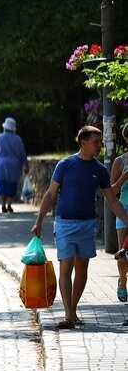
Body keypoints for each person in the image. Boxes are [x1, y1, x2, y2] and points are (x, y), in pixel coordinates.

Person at [32, 126, 128, 329]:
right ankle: (68, 314)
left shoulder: (99, 169)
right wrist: (39, 221)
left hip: (87, 224)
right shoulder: (65, 164)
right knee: (66, 266)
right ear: (83, 142)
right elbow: (50, 194)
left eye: (100, 142)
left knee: (82, 270)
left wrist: (127, 221)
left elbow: (112, 200)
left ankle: (73, 310)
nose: (99, 146)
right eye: (96, 142)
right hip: (65, 222)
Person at [0, 117, 28, 213]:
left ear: (5, 128)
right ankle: (9, 205)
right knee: (12, 185)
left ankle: (3, 204)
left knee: (1, 184)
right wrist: (25, 164)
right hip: (14, 165)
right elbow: (22, 153)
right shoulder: (18, 139)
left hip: (1, 164)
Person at [110, 123, 128, 302]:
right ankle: (123, 282)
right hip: (124, 210)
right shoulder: (120, 161)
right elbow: (111, 190)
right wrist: (123, 177)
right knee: (123, 253)